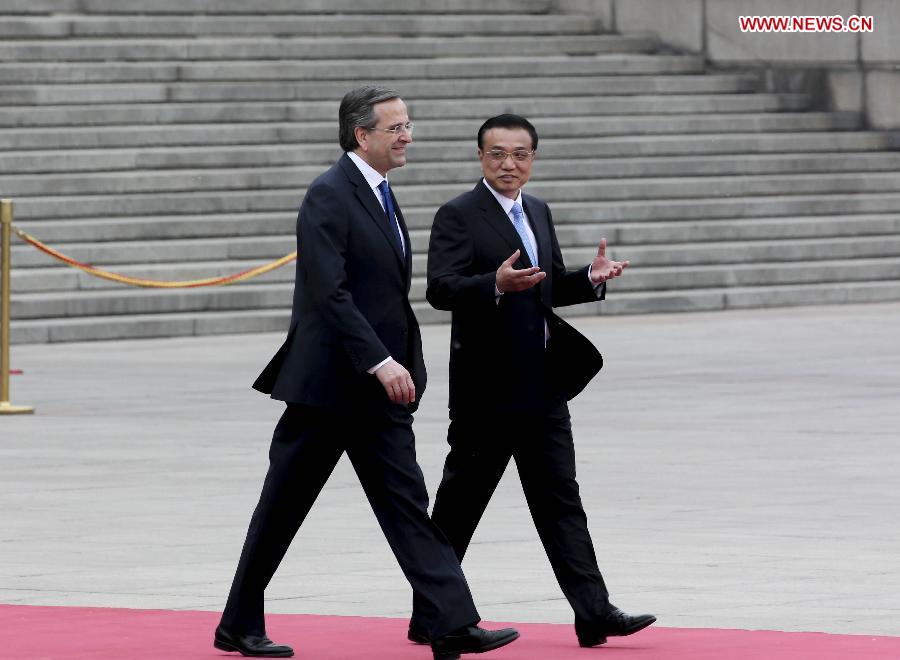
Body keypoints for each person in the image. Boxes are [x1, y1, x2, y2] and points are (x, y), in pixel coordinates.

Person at [214, 87, 519, 660]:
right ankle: (237, 623)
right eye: (397, 128)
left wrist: (400, 363)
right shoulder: (329, 196)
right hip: (328, 389)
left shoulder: (379, 193)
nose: (408, 136)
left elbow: (386, 296)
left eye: (408, 125)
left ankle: (451, 622)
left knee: (407, 503)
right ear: (362, 134)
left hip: (377, 393)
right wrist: (381, 361)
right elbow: (328, 294)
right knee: (282, 508)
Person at [408, 114, 656, 649]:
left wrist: (588, 279)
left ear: (533, 159)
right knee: (460, 506)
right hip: (486, 392)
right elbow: (441, 290)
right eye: (497, 153)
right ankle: (431, 612)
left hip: (543, 388)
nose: (509, 164)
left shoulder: (538, 211)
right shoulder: (457, 215)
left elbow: (546, 289)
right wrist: (491, 284)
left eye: (520, 154)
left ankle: (593, 611)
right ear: (480, 157)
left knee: (561, 501)